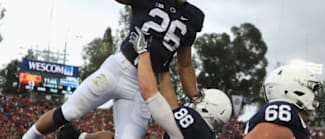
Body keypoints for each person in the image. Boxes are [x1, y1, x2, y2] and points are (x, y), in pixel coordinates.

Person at [23, 0, 204, 139]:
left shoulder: (193, 17)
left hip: (144, 83)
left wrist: (195, 98)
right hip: (118, 68)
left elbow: (185, 65)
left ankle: (80, 137)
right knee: (70, 112)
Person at [56, 27, 233, 139]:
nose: (196, 98)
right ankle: (81, 137)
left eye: (201, 98)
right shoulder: (205, 133)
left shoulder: (192, 124)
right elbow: (171, 109)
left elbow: (151, 94)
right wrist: (164, 68)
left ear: (207, 109)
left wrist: (143, 53)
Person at [243, 61, 325, 139]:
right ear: (297, 90)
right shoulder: (279, 122)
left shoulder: (292, 123)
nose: (315, 96)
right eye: (312, 89)